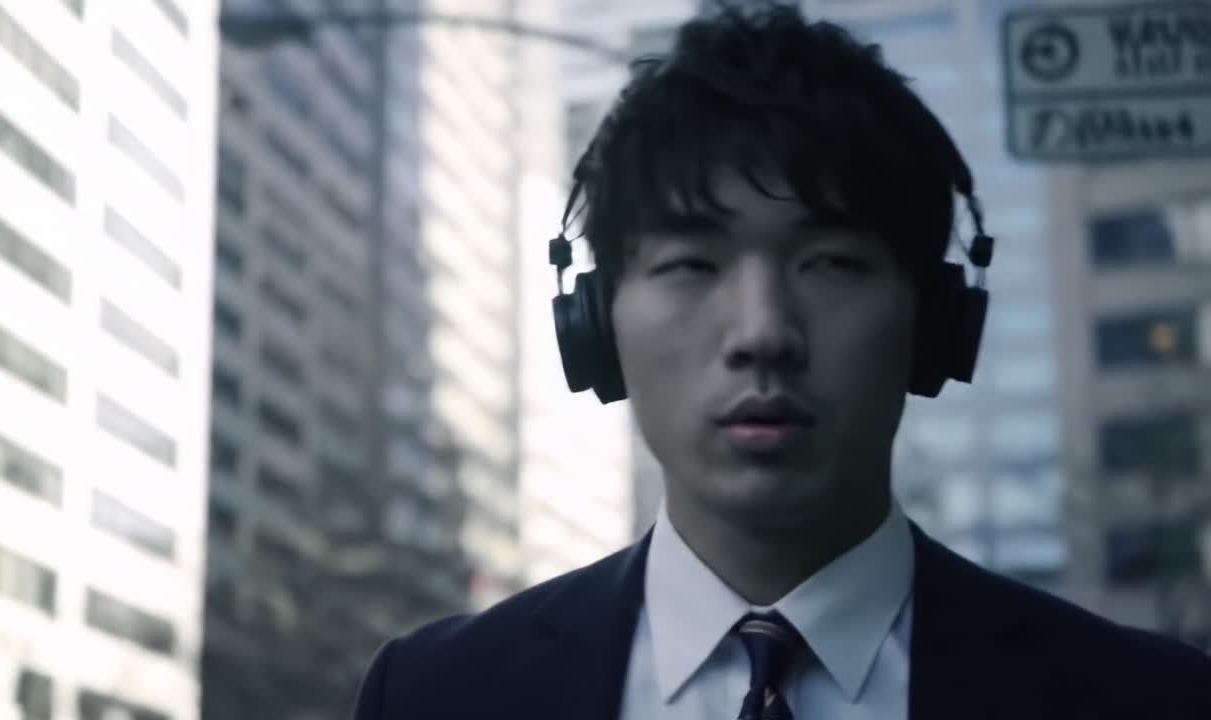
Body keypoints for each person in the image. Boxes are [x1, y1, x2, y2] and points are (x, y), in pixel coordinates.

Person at [353, 3, 1211, 719]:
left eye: (831, 263)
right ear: (596, 322)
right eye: (691, 264)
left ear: (935, 320)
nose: (762, 332)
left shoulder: (1149, 700)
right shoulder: (435, 695)